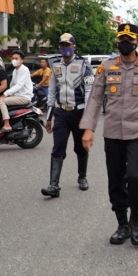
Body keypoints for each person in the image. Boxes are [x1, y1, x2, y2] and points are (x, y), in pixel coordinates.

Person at [80, 23, 138, 246]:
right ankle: (122, 224)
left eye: (129, 40)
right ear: (117, 42)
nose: (125, 44)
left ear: (137, 42)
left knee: (135, 177)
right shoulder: (107, 67)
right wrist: (88, 129)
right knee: (115, 180)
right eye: (121, 40)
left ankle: (136, 221)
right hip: (112, 133)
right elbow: (95, 98)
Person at [42, 33, 94, 197]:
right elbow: (52, 92)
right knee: (57, 147)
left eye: (68, 45)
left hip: (79, 112)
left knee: (80, 147)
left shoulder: (84, 66)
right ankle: (53, 185)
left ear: (74, 47)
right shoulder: (55, 65)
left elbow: (89, 93)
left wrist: (87, 121)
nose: (65, 48)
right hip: (60, 112)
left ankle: (82, 177)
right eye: (62, 45)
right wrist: (48, 118)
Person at [0, 50, 33, 132]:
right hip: (18, 96)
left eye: (16, 58)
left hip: (24, 97)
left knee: (1, 101)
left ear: (21, 60)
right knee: (1, 98)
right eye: (13, 58)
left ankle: (6, 125)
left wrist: (5, 94)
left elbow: (19, 85)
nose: (14, 60)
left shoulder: (24, 69)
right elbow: (12, 85)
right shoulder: (15, 71)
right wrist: (5, 93)